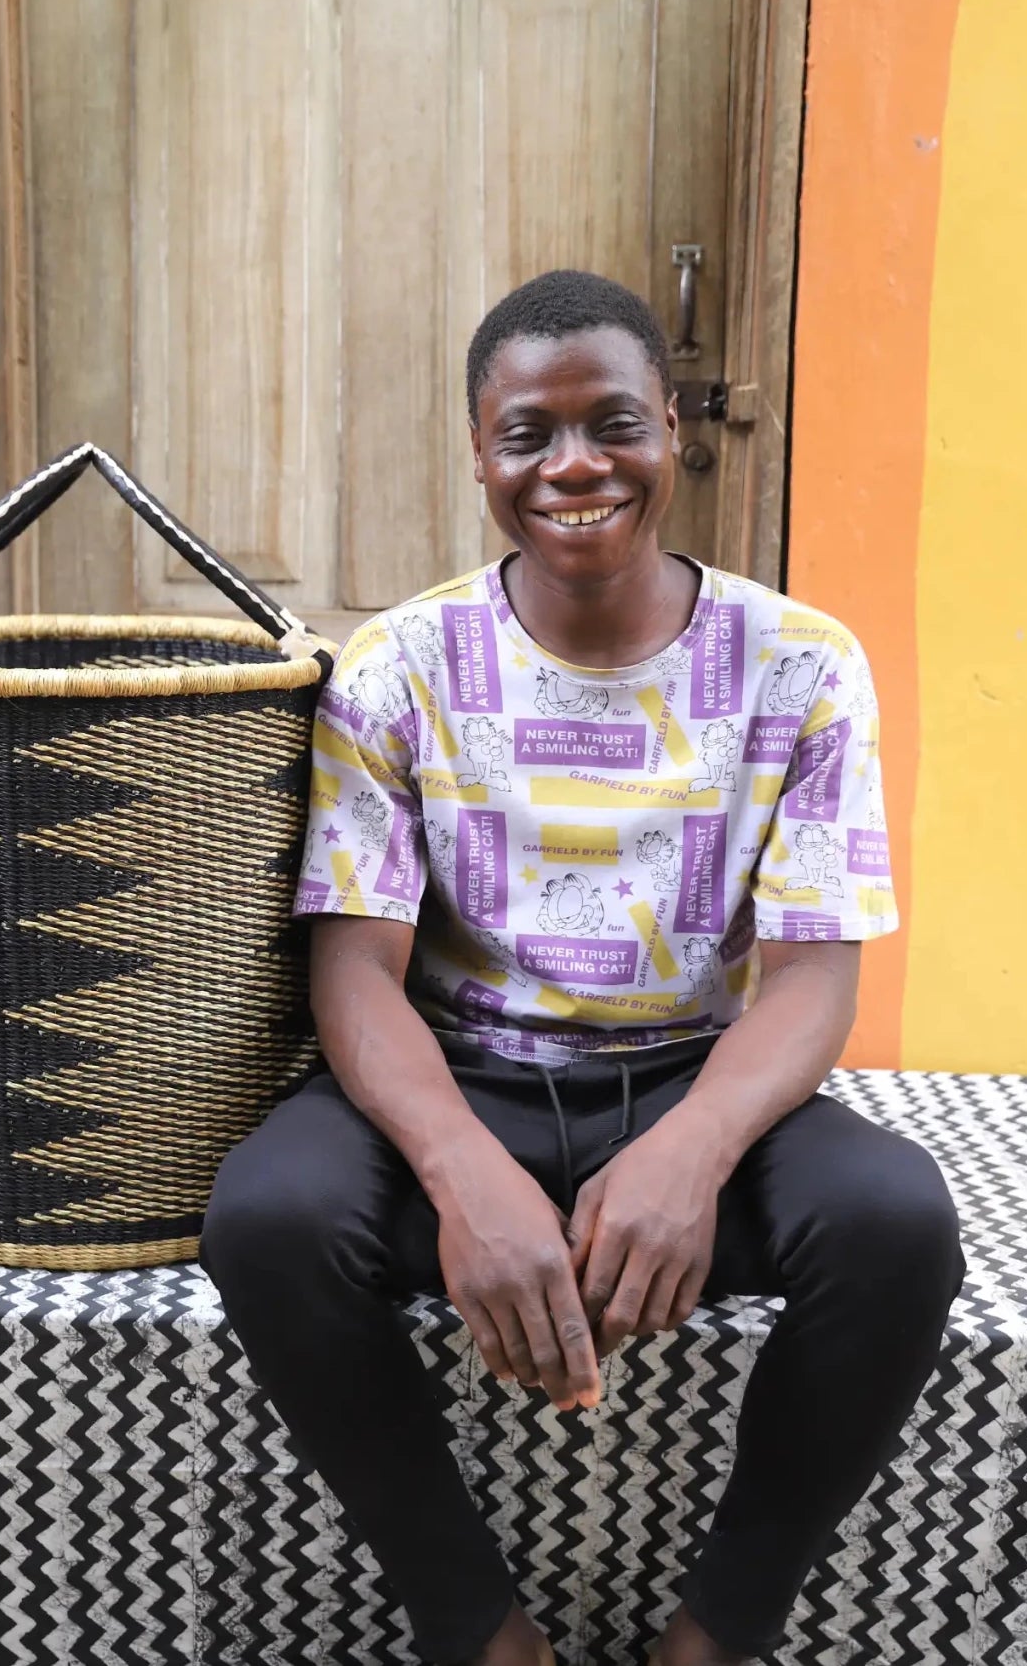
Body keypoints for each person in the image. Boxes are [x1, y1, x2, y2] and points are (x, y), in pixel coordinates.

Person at [200, 270, 963, 1666]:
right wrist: (459, 1172)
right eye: (525, 434)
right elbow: (356, 970)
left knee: (896, 1224)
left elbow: (809, 974)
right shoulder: (398, 666)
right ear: (477, 452)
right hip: (463, 1068)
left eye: (612, 422)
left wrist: (691, 1152)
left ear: (672, 429)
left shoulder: (799, 664)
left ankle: (711, 1638)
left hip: (690, 1075)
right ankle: (482, 1634)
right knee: (268, 1215)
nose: (572, 466)